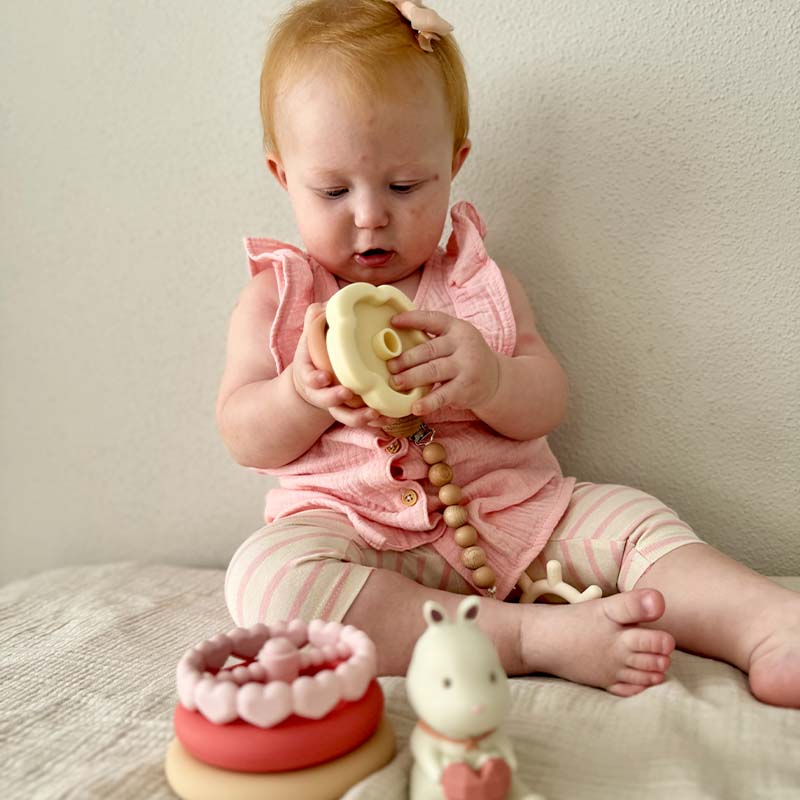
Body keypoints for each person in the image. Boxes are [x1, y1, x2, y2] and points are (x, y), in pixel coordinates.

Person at [217, 0, 799, 706]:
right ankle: (527, 640)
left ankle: (770, 624)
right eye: (333, 190)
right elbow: (244, 436)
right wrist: (299, 395)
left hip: (521, 517)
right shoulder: (280, 301)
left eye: (406, 186)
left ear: (455, 164)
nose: (371, 214)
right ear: (283, 176)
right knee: (266, 580)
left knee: (633, 520)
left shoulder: (476, 284)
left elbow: (546, 402)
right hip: (359, 538)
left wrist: (489, 378)